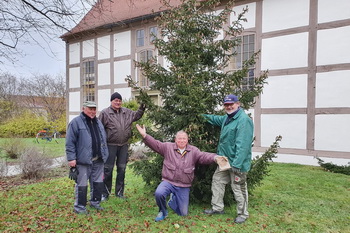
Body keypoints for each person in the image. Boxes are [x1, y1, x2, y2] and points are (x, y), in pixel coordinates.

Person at [135, 124, 227, 222]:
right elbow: (155, 144)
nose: (182, 141)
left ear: (187, 140)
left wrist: (215, 157)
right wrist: (145, 135)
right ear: (175, 139)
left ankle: (172, 201)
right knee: (159, 193)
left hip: (183, 185)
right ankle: (162, 211)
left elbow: (203, 156)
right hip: (168, 181)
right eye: (179, 138)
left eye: (184, 139)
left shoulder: (193, 150)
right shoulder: (167, 147)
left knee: (183, 213)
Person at [202, 94, 254, 224]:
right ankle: (217, 208)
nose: (229, 106)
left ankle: (243, 214)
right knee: (217, 181)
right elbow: (216, 119)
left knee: (238, 188)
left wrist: (237, 164)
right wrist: (201, 116)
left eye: (231, 104)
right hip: (224, 160)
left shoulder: (243, 120)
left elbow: (243, 145)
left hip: (237, 163)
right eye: (226, 105)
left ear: (238, 104)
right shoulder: (227, 118)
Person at [98, 92, 145, 200]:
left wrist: (142, 108)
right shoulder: (105, 113)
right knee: (107, 170)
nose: (118, 102)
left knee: (122, 169)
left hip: (123, 145)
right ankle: (105, 193)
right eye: (116, 100)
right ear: (111, 101)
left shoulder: (127, 112)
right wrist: (101, 144)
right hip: (110, 145)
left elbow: (137, 115)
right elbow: (99, 129)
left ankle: (119, 193)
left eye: (119, 100)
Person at [66, 101, 109, 214]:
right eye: (90, 109)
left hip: (98, 160)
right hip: (83, 161)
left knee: (98, 182)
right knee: (82, 185)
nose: (92, 111)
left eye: (94, 109)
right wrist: (71, 159)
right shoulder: (75, 123)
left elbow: (103, 140)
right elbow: (70, 142)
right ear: (83, 108)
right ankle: (79, 207)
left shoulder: (98, 123)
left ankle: (95, 202)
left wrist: (105, 154)